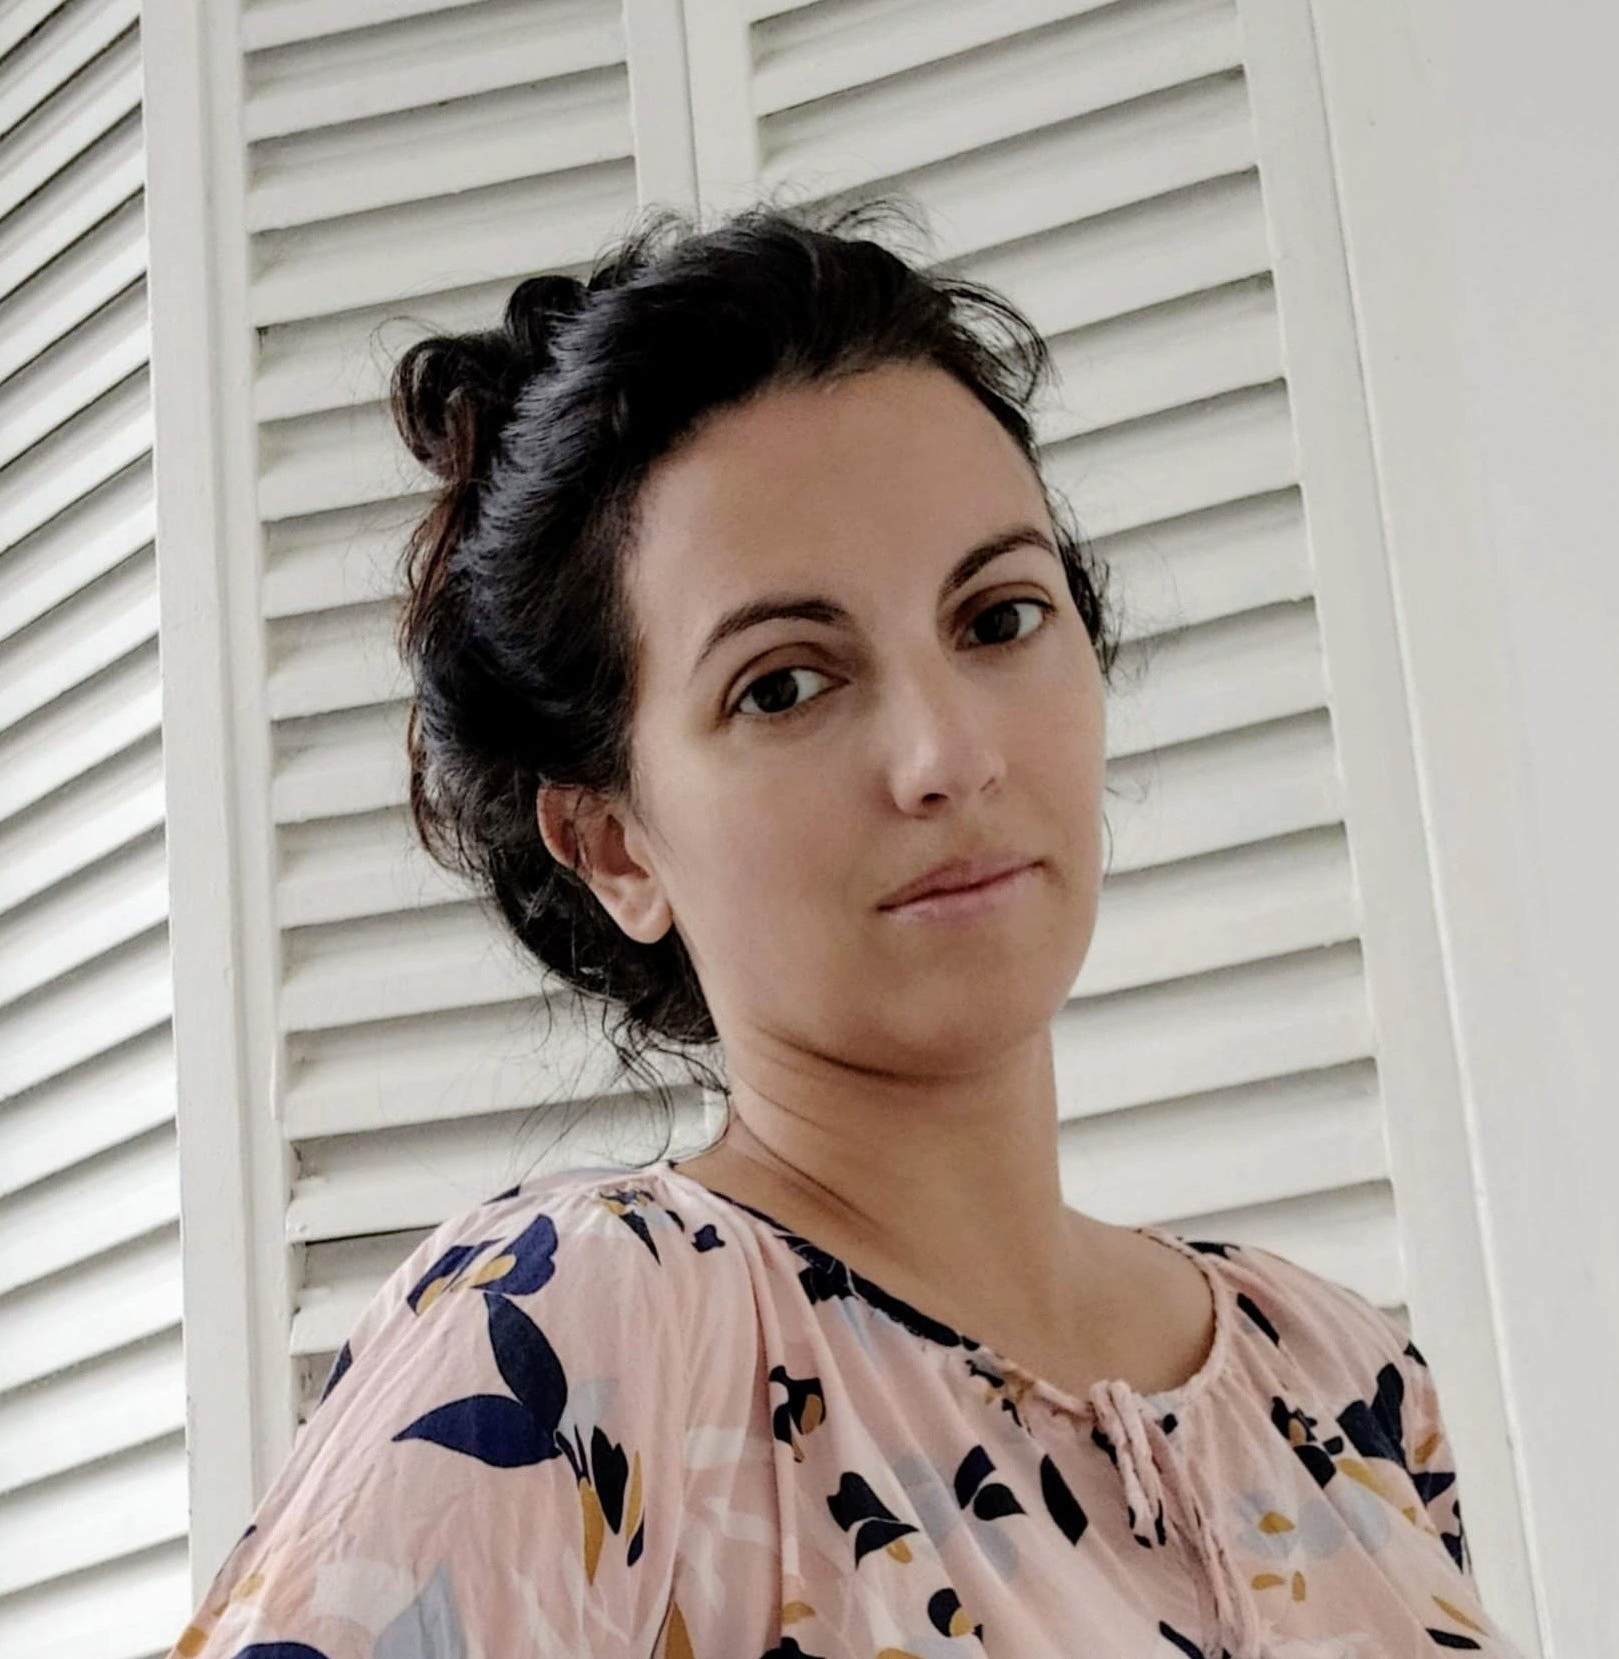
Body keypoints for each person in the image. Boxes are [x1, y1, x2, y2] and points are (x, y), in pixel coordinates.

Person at [167, 199, 1522, 1659]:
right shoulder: (577, 1334)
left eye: (999, 619)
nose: (945, 754)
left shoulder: (1342, 1377)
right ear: (615, 843)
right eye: (784, 686)